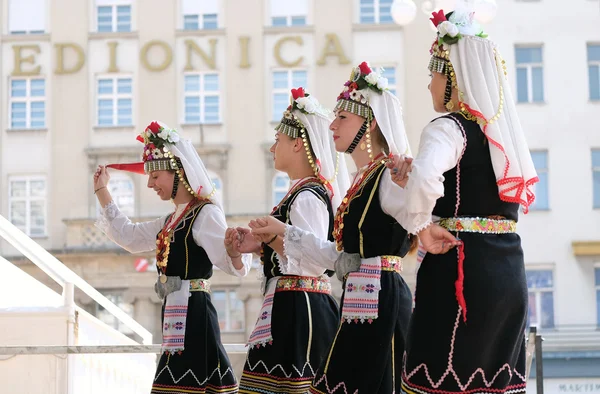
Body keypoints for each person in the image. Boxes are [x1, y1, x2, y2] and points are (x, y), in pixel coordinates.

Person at [389, 7, 538, 394]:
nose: (429, 86)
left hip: (461, 269)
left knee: (442, 376)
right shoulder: (499, 136)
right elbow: (466, 185)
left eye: (433, 75)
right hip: (507, 272)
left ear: (453, 77)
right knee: (493, 382)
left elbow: (428, 178)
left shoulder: (448, 127)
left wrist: (421, 225)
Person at [250, 62, 416, 394]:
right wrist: (282, 233)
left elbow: (418, 216)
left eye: (343, 118)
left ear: (368, 123)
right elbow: (337, 255)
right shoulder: (362, 180)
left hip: (382, 300)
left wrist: (415, 183)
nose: (332, 125)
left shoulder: (387, 175)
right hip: (357, 300)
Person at [93, 120, 252, 394]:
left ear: (178, 171)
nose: (151, 185)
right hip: (176, 314)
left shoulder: (204, 213)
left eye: (155, 176)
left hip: (195, 312)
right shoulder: (171, 219)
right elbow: (130, 237)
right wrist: (102, 191)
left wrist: (234, 251)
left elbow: (236, 268)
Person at [237, 87, 349, 394]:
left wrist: (274, 235)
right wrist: (261, 243)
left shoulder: (308, 196)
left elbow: (313, 261)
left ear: (298, 144)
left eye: (278, 140)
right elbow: (295, 251)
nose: (273, 148)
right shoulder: (299, 193)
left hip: (303, 310)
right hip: (292, 306)